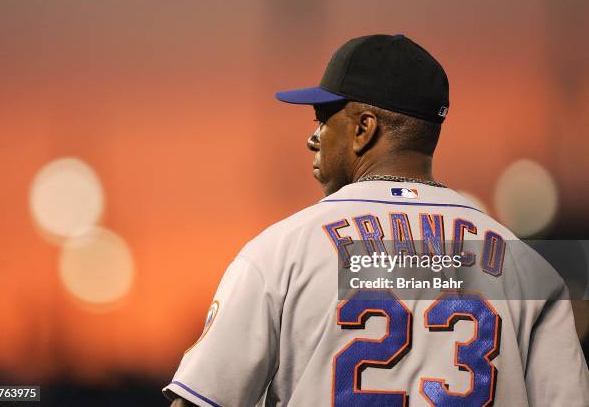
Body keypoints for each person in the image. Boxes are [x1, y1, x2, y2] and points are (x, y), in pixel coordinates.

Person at [163, 34, 589, 406]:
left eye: (323, 119)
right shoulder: (530, 271)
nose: (312, 137)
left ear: (364, 128)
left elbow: (203, 400)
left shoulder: (280, 254)